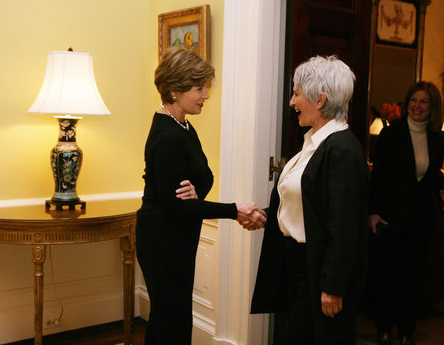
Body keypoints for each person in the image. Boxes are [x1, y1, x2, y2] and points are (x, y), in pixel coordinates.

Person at [136, 47, 266, 345]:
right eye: (199, 88)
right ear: (173, 91)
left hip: (177, 236)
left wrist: (194, 191)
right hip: (162, 239)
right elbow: (177, 208)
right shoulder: (168, 135)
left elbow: (205, 178)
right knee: (171, 322)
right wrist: (235, 210)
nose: (206, 94)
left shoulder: (183, 126)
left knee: (175, 319)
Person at [250, 56, 369, 344]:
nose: (292, 102)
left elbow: (344, 226)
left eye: (297, 93)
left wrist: (334, 286)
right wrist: (265, 215)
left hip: (318, 271)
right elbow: (309, 206)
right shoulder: (313, 143)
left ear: (320, 99)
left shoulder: (342, 149)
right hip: (297, 265)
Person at [368, 81, 444, 345]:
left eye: (424, 102)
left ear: (432, 108)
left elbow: (432, 172)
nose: (417, 106)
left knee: (413, 277)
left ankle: (407, 331)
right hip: (390, 217)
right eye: (414, 100)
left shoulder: (437, 137)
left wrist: (443, 189)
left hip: (420, 218)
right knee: (388, 275)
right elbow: (378, 177)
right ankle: (383, 328)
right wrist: (372, 214)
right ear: (407, 103)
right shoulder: (390, 134)